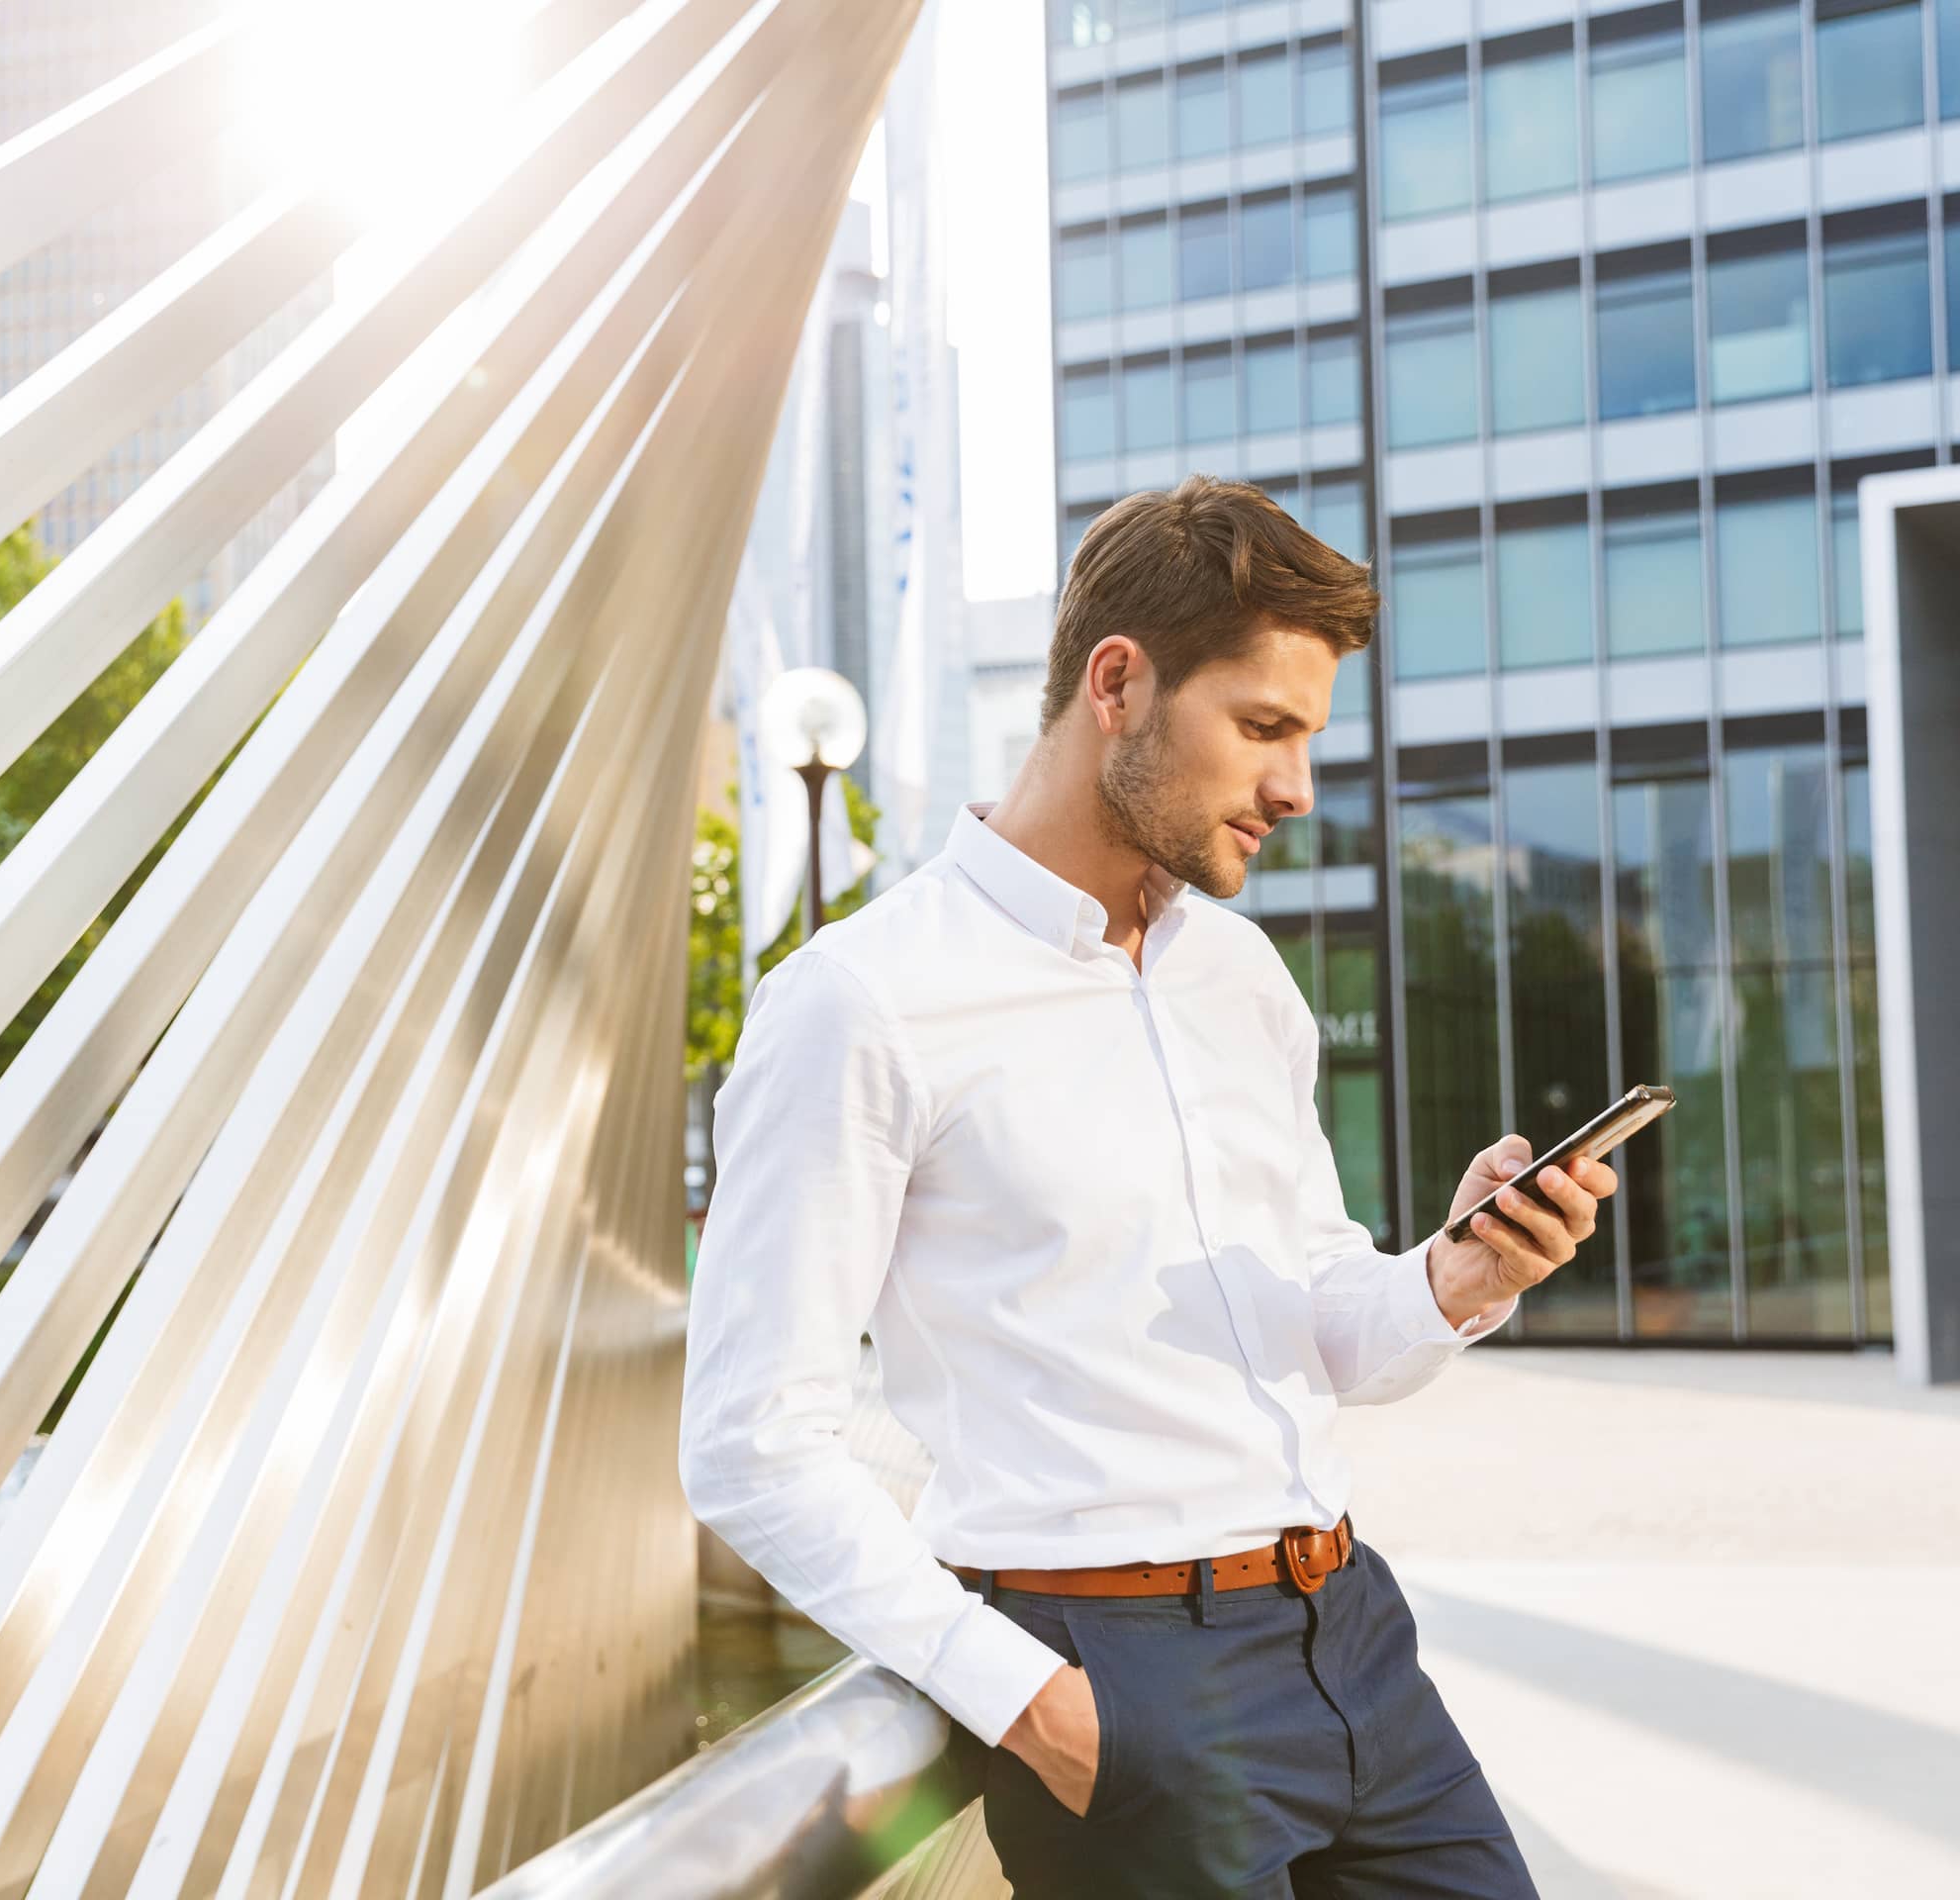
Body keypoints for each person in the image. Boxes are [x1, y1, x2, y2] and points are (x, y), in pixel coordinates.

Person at [678, 476, 1617, 1897]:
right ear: (1118, 683)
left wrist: (1453, 1278)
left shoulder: (1242, 977)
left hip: (1355, 1637)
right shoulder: (860, 1003)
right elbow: (751, 1439)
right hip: (1118, 1679)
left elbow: (1311, 1312)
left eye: (1307, 737)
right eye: (1264, 728)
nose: (1297, 786)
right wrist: (1028, 1703)